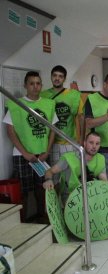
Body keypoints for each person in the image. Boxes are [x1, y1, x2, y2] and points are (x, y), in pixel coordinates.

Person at [3, 71, 58, 221]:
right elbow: (10, 131)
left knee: (44, 187)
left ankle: (43, 217)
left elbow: (53, 130)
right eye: (31, 83)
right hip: (22, 155)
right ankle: (24, 221)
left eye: (38, 83)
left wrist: (47, 151)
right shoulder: (15, 104)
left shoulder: (49, 104)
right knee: (24, 191)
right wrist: (26, 153)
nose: (35, 86)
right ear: (25, 85)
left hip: (42, 155)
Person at [42, 132, 107, 203]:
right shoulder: (69, 158)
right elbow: (49, 171)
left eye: (97, 144)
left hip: (91, 196)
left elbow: (104, 181)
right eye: (91, 142)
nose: (94, 146)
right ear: (84, 143)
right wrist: (48, 180)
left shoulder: (101, 158)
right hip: (70, 196)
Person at [84, 72, 108, 182]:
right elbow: (89, 123)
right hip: (101, 148)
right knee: (105, 182)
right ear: (105, 84)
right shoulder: (92, 99)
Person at [40, 65, 83, 165]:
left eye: (60, 76)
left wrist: (81, 139)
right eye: (55, 75)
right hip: (50, 143)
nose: (57, 78)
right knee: (52, 174)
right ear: (51, 77)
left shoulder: (74, 95)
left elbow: (81, 117)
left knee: (70, 174)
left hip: (69, 141)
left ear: (64, 79)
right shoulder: (43, 95)